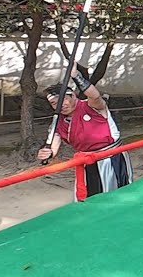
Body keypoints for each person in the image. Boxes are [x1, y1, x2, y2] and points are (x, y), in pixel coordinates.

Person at [37, 69, 133, 198]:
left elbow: (95, 96)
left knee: (116, 197)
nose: (61, 105)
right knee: (88, 197)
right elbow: (53, 145)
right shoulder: (58, 122)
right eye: (55, 103)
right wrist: (47, 153)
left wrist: (76, 76)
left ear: (73, 96)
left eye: (63, 100)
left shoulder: (91, 106)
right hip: (86, 162)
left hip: (111, 158)